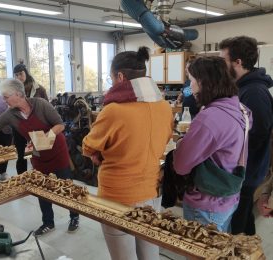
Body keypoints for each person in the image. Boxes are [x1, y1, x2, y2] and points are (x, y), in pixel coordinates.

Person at [0, 78, 79, 235]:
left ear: (18, 94)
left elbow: (60, 124)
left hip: (57, 151)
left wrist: (46, 136)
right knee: (41, 187)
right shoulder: (11, 114)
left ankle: (74, 216)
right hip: (38, 154)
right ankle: (48, 222)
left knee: (67, 185)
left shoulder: (40, 104)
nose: (4, 100)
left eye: (6, 97)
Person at [82, 47, 173, 260]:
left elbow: (88, 146)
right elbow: (166, 139)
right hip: (151, 189)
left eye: (111, 77)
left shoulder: (113, 110)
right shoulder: (165, 106)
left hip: (118, 194)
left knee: (124, 255)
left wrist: (98, 152)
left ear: (120, 76)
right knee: (150, 250)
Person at [173, 56, 251, 232]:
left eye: (191, 80)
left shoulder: (210, 118)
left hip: (206, 204)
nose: (190, 85)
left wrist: (182, 144)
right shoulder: (240, 109)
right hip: (228, 196)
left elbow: (181, 165)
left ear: (203, 82)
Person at [219, 36, 273, 235]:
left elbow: (258, 136)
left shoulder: (254, 92)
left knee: (236, 227)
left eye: (224, 61)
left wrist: (229, 153)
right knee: (244, 218)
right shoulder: (243, 88)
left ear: (238, 62)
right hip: (245, 170)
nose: (222, 67)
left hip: (246, 172)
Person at [12, 63, 48, 175]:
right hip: (20, 126)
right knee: (21, 155)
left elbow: (48, 107)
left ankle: (42, 176)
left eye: (21, 74)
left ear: (26, 73)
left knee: (41, 153)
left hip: (37, 126)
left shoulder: (39, 89)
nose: (19, 77)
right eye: (16, 75)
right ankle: (22, 180)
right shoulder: (12, 91)